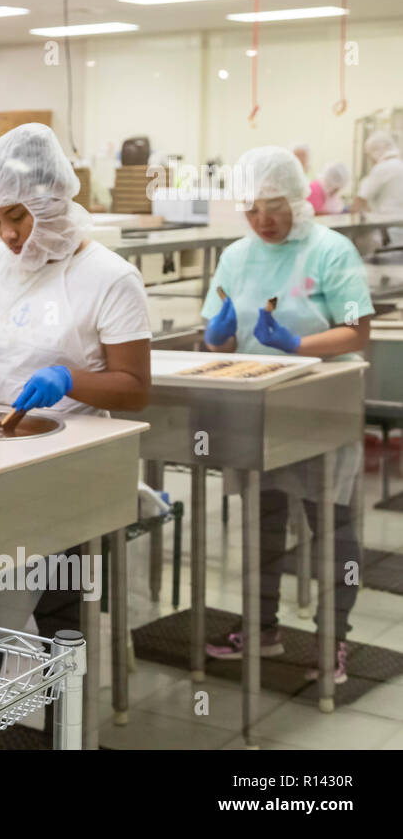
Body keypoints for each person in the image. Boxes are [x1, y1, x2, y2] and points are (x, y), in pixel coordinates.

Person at [0, 123, 152, 633]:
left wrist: (69, 380)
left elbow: (136, 389)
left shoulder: (110, 277)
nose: (8, 235)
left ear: (53, 201)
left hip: (65, 466)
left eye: (17, 216)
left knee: (54, 605)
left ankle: (63, 712)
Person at [201, 146, 373, 683]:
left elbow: (357, 330)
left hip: (324, 398)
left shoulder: (331, 250)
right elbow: (217, 335)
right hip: (261, 400)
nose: (263, 221)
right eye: (251, 210)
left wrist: (297, 343)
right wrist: (218, 334)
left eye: (273, 206)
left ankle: (333, 638)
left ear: (297, 199)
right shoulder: (236, 256)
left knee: (332, 523)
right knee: (264, 518)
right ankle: (260, 626)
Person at [354, 132, 403, 249]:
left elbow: (360, 201)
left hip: (388, 232)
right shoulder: (400, 165)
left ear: (375, 152)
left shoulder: (381, 169)